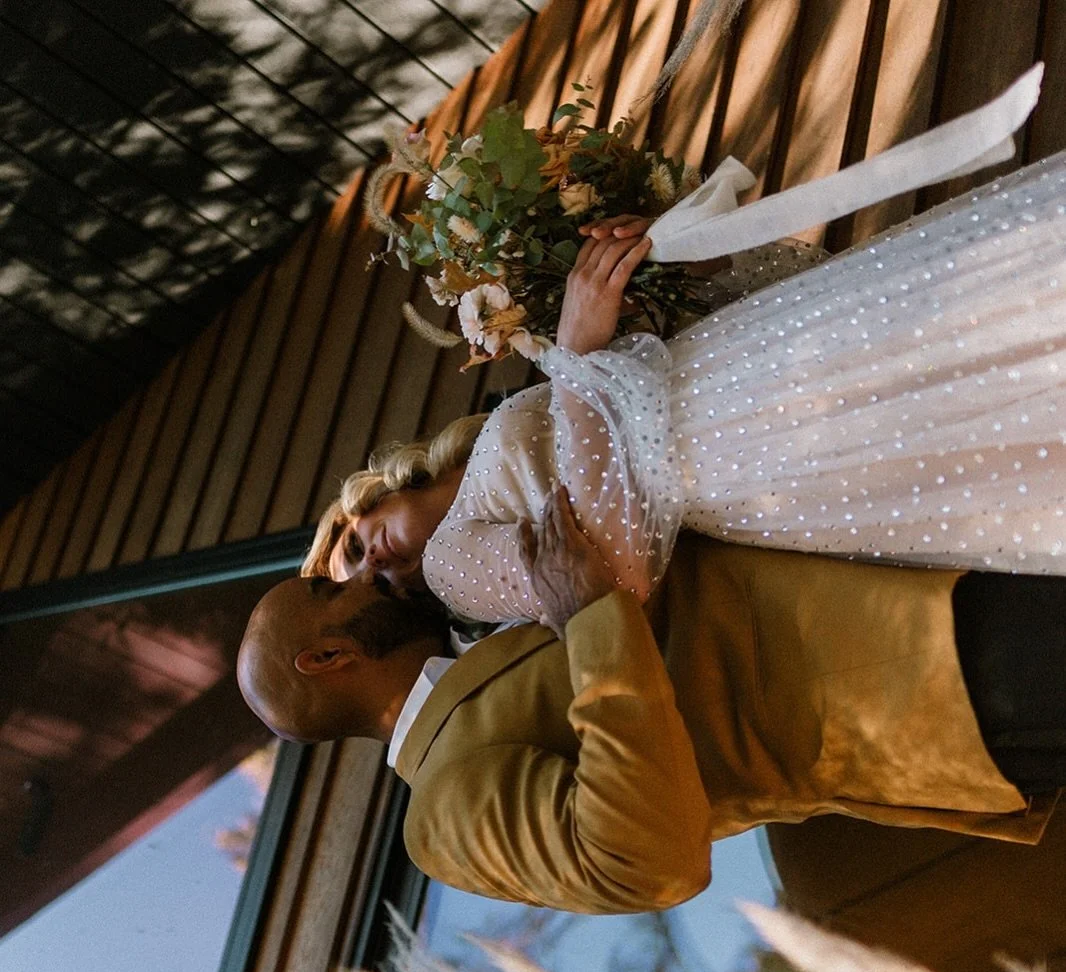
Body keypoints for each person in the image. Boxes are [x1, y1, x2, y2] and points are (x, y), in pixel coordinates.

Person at [305, 151, 1066, 629]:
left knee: (985, 302)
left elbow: (647, 374)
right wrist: (576, 350)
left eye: (358, 549)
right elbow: (613, 573)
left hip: (754, 355)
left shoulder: (502, 437)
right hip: (756, 454)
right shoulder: (454, 571)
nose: (383, 569)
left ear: (369, 499)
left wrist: (668, 271)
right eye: (379, 589)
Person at [241, 487, 1062, 915]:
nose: (353, 579)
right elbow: (639, 861)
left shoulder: (473, 631)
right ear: (328, 656)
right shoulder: (439, 817)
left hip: (912, 571)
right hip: (921, 683)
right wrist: (591, 620)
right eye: (328, 589)